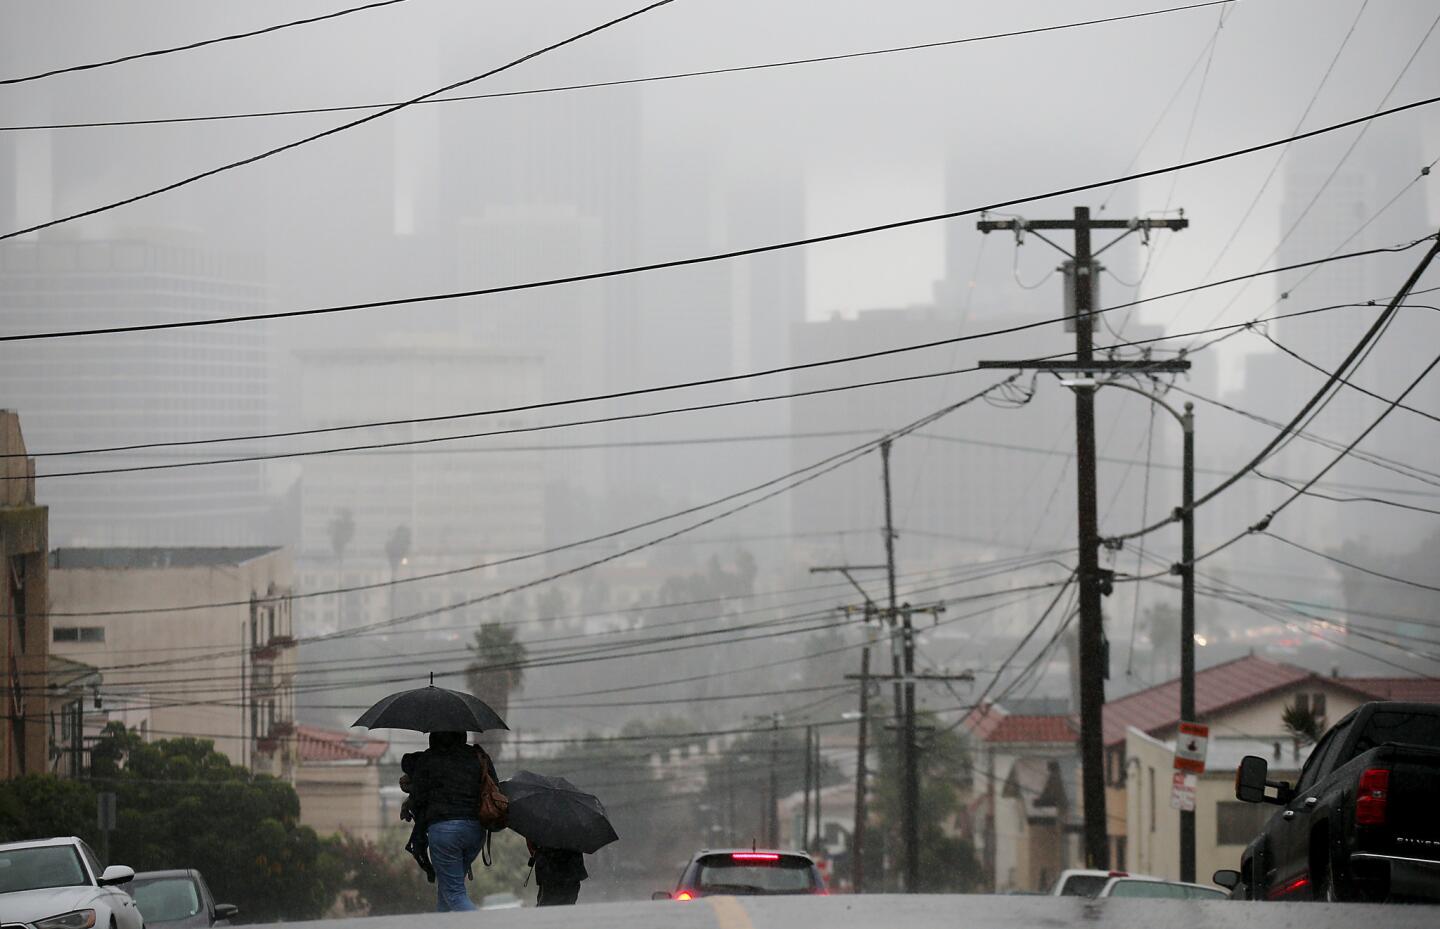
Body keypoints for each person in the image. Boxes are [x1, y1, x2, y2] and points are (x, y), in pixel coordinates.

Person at [406, 731, 499, 912]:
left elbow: (418, 798)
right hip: (475, 830)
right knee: (446, 894)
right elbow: (494, 786)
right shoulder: (478, 756)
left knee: (455, 894)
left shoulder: (429, 759)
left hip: (444, 832)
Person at [527, 838, 587, 906]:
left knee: (547, 905)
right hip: (571, 869)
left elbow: (532, 847)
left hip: (550, 869)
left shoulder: (541, 831)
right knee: (567, 903)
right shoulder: (574, 832)